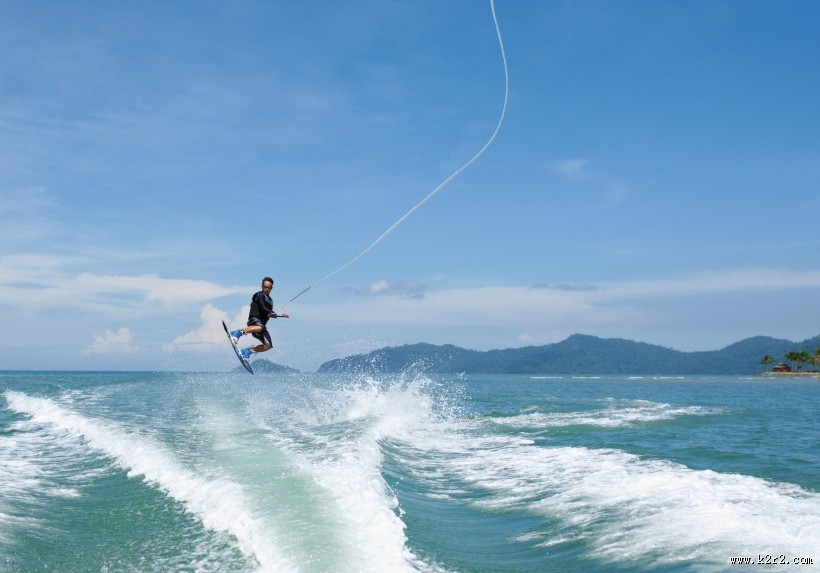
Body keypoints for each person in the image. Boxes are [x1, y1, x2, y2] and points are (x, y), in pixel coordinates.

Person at [229, 277, 287, 360]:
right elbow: (261, 306)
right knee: (260, 327)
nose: (266, 289)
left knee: (268, 346)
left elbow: (267, 313)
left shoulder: (270, 301)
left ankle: (248, 351)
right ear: (262, 286)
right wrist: (271, 312)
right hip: (254, 319)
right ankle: (236, 333)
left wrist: (274, 314)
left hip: (261, 326)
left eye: (268, 287)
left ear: (271, 288)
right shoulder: (259, 295)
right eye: (265, 287)